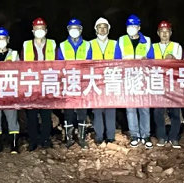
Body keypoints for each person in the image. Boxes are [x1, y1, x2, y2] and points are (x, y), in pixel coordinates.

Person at [118, 15, 155, 148]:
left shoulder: (147, 41)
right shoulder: (121, 41)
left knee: (144, 108)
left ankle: (145, 135)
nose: (131, 29)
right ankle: (135, 134)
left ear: (139, 28)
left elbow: (152, 59)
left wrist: (147, 60)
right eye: (129, 26)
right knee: (131, 109)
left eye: (134, 26)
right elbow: (116, 60)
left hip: (143, 79)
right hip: (128, 79)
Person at [57, 19, 93, 148]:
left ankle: (82, 138)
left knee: (82, 111)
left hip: (82, 82)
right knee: (68, 111)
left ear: (81, 30)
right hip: (68, 82)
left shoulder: (88, 45)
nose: (74, 30)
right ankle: (69, 138)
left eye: (76, 27)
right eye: (71, 28)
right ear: (68, 30)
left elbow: (90, 63)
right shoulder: (62, 45)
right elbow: (59, 64)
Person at [23, 17, 57, 151]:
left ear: (46, 30)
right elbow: (20, 64)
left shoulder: (52, 44)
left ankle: (45, 139)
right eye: (37, 29)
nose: (39, 31)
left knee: (46, 114)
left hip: (47, 82)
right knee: (32, 114)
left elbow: (58, 63)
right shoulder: (26, 45)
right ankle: (33, 140)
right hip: (31, 83)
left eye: (41, 29)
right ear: (32, 30)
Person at [151, 21, 183, 148]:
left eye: (167, 32)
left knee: (175, 112)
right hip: (158, 83)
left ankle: (174, 137)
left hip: (173, 83)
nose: (164, 34)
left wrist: (173, 58)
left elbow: (181, 65)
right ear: (158, 33)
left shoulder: (177, 47)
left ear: (170, 33)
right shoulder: (153, 47)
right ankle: (161, 136)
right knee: (158, 112)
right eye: (162, 32)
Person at [89, 17, 118, 146]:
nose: (102, 29)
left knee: (111, 110)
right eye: (99, 27)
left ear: (108, 29)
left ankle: (110, 136)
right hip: (96, 81)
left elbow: (120, 61)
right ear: (95, 29)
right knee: (97, 110)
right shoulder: (89, 44)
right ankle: (99, 135)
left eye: (104, 27)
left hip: (111, 80)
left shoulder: (115, 44)